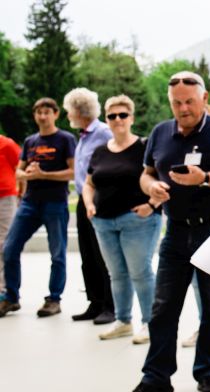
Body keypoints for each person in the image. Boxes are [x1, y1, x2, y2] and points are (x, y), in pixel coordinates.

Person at [133, 72, 210, 392]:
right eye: (176, 103)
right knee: (162, 307)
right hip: (175, 231)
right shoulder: (160, 132)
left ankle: (207, 375)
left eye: (189, 102)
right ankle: (156, 377)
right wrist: (152, 187)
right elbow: (146, 173)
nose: (183, 109)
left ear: (204, 98)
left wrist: (204, 178)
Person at [83, 95, 162, 344]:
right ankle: (123, 321)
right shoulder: (100, 151)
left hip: (138, 221)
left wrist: (152, 205)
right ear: (106, 120)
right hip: (103, 222)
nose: (118, 120)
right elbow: (89, 183)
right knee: (116, 274)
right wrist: (89, 205)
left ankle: (150, 324)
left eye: (123, 115)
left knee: (140, 272)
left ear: (132, 118)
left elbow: (160, 180)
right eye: (112, 116)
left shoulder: (144, 147)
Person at [0, 98, 76, 318]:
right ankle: (10, 297)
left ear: (56, 114)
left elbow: (73, 172)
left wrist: (45, 175)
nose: (43, 117)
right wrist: (27, 174)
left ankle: (54, 299)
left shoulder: (65, 139)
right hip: (30, 202)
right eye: (39, 113)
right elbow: (18, 170)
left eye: (47, 112)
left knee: (57, 253)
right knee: (9, 248)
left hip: (55, 202)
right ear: (34, 115)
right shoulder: (30, 141)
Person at [63, 87, 115, 325]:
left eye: (69, 110)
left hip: (100, 200)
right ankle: (95, 302)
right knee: (87, 255)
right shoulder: (83, 136)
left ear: (79, 110)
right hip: (83, 201)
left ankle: (110, 306)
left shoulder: (103, 132)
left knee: (101, 254)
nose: (68, 115)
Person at [0, 134, 22, 296]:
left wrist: (22, 194)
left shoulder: (6, 144)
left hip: (5, 198)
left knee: (3, 244)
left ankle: (3, 288)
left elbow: (21, 168)